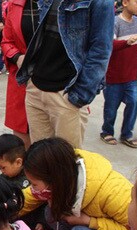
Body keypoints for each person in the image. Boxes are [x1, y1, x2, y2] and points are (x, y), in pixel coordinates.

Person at [23, 137, 132, 230]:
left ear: (54, 180)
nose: (32, 188)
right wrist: (3, 211)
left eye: (35, 184)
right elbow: (28, 197)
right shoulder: (67, 171)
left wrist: (89, 221)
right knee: (51, 213)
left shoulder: (112, 192)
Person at [16, 0, 114, 148]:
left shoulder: (100, 3)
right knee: (40, 163)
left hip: (66, 93)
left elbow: (101, 51)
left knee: (66, 164)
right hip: (36, 88)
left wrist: (80, 95)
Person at [100, 0, 137, 148]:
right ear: (125, 2)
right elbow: (109, 45)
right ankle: (106, 131)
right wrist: (127, 43)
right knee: (111, 107)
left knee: (133, 103)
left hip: (131, 75)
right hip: (114, 76)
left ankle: (126, 134)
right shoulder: (114, 22)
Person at [0, 0, 38, 147]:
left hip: (54, 79)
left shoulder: (63, 4)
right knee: (23, 142)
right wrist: (17, 57)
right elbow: (6, 41)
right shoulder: (15, 4)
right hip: (22, 79)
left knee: (53, 149)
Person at [0, 134, 46, 230]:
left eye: (3, 167)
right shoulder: (4, 177)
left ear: (18, 162)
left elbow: (45, 201)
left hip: (31, 217)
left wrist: (42, 221)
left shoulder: (33, 177)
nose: (1, 171)